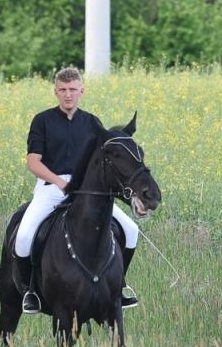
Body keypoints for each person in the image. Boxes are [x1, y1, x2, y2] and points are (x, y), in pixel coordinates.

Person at [12, 66, 140, 315]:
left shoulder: (93, 123)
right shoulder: (42, 120)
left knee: (131, 230)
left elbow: (103, 162)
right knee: (24, 235)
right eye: (62, 90)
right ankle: (30, 292)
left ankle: (119, 286)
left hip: (87, 191)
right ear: (55, 92)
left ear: (82, 91)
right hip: (52, 187)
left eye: (72, 89)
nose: (68, 94)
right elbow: (33, 162)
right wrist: (60, 182)